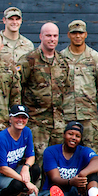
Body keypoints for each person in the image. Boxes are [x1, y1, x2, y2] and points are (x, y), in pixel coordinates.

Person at [19, 22, 71, 163]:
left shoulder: (63, 62)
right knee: (36, 162)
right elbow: (18, 87)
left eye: (55, 36)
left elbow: (66, 88)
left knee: (57, 162)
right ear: (41, 36)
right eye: (48, 35)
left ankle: (54, 187)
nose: (52, 39)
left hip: (58, 123)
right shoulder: (28, 60)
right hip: (36, 122)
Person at [61, 20, 98, 152]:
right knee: (64, 151)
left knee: (92, 151)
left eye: (80, 33)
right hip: (66, 114)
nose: (77, 36)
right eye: (74, 33)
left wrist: (91, 101)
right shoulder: (61, 58)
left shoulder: (95, 57)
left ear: (85, 34)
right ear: (69, 35)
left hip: (88, 115)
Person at [41, 121, 98, 196]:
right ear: (64, 135)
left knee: (92, 171)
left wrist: (83, 173)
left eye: (77, 136)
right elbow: (54, 178)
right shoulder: (51, 151)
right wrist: (71, 182)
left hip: (75, 192)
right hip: (55, 189)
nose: (73, 138)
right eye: (70, 134)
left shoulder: (83, 151)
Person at [0, 105, 37, 196]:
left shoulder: (26, 132)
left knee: (35, 170)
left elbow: (31, 156)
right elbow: (2, 168)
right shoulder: (1, 138)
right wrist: (26, 182)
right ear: (10, 119)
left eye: (23, 118)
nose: (20, 120)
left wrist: (26, 167)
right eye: (17, 117)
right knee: (18, 183)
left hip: (10, 171)